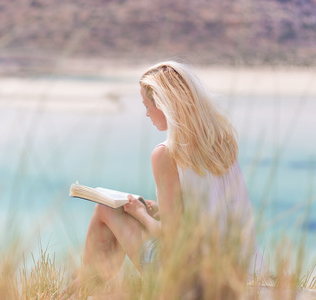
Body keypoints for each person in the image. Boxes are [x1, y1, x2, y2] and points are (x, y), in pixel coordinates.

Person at [73, 61, 261, 289]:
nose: (146, 113)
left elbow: (173, 239)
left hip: (190, 281)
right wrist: (159, 210)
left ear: (163, 104)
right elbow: (207, 213)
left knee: (104, 208)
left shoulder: (166, 154)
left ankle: (83, 287)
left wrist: (141, 214)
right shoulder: (223, 143)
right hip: (237, 272)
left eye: (147, 105)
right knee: (123, 211)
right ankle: (84, 285)